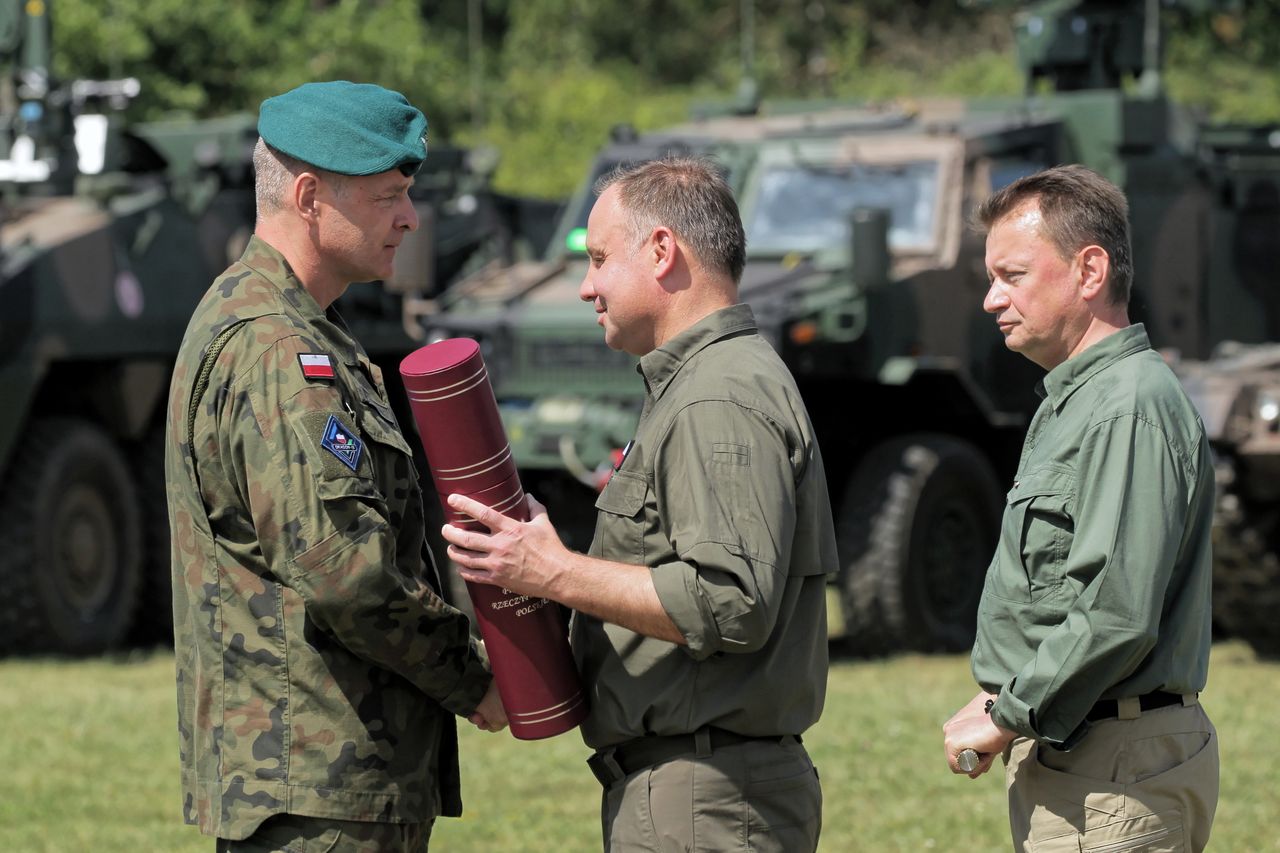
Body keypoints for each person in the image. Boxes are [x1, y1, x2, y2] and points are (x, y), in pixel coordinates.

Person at [440, 157, 837, 852]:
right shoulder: (704, 383)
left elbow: (729, 600)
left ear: (661, 252)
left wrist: (552, 571)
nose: (587, 286)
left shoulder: (716, 394)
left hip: (702, 797)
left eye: (597, 259)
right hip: (699, 788)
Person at [165, 80, 505, 852]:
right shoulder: (277, 348)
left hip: (324, 779)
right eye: (389, 196)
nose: (410, 218)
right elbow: (343, 570)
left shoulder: (295, 329)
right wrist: (471, 676)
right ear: (311, 195)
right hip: (318, 791)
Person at [942, 164, 1219, 851]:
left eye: (1012, 274)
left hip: (1116, 766)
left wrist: (1008, 711)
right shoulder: (1077, 400)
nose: (989, 299)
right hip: (1081, 749)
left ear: (1089, 270)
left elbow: (1115, 610)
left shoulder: (1126, 405)